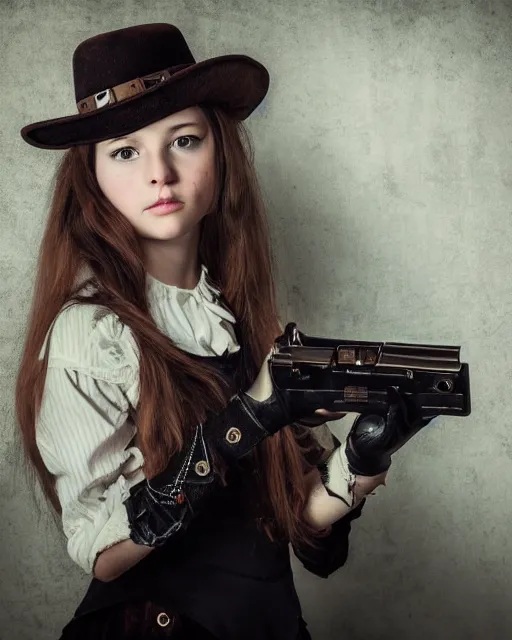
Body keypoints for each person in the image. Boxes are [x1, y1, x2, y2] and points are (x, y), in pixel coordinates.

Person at [15, 23, 434, 640]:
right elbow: (102, 553)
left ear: (221, 155)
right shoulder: (90, 332)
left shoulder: (241, 326)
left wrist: (363, 458)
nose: (159, 172)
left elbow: (291, 528)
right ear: (93, 177)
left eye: (183, 140)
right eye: (125, 151)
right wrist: (249, 417)